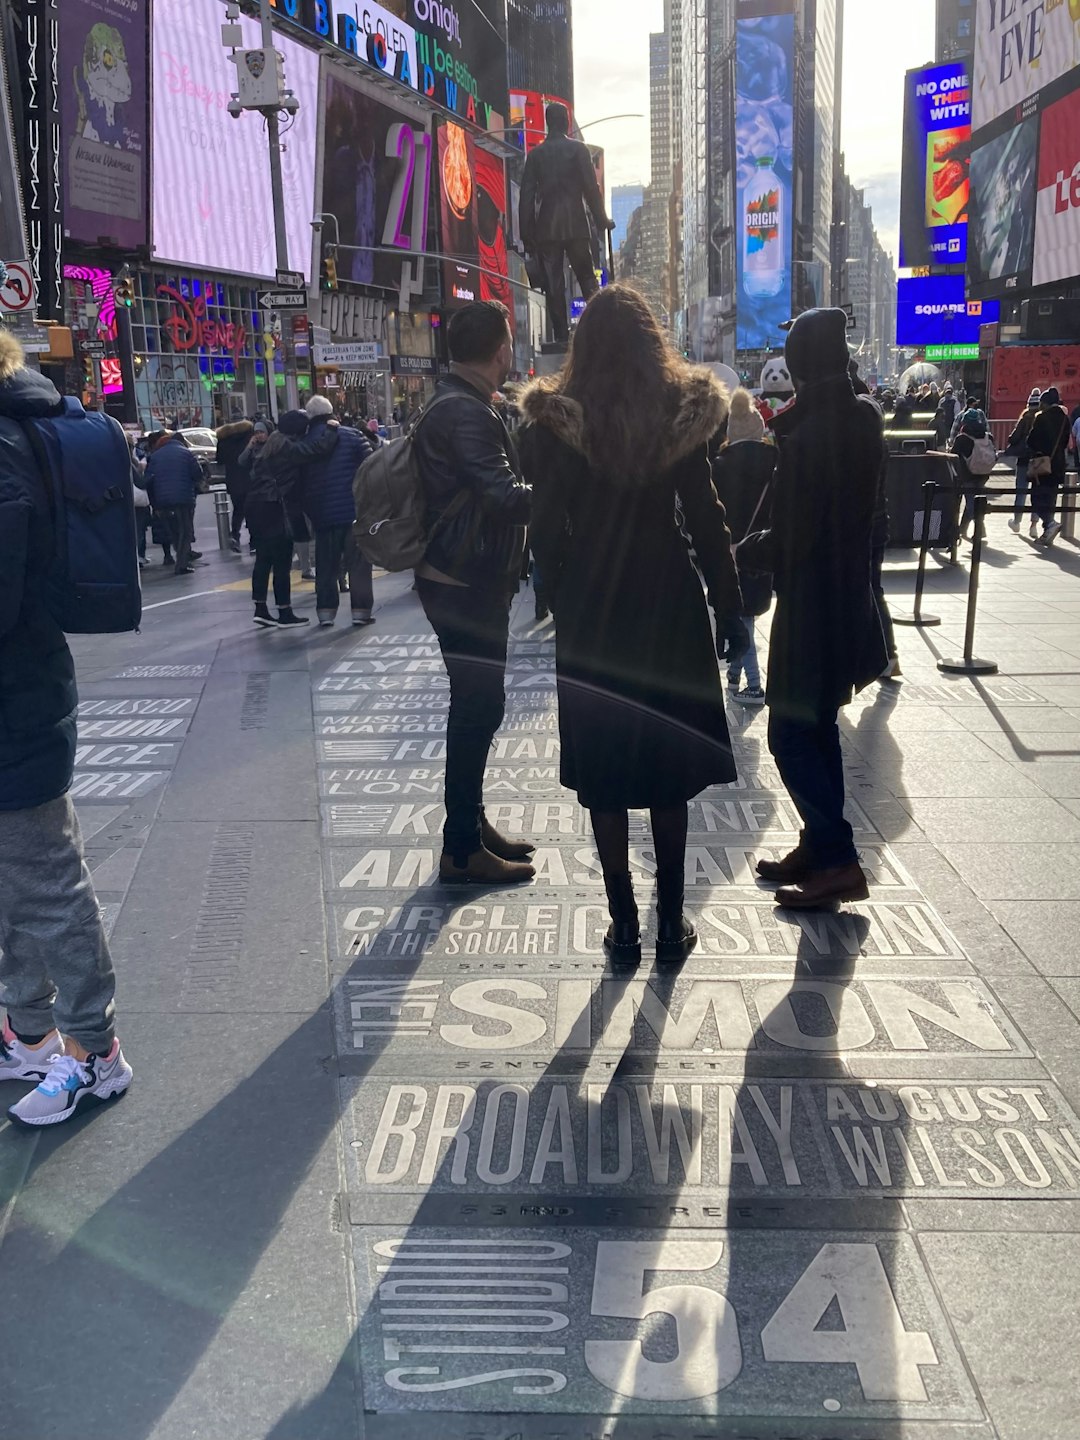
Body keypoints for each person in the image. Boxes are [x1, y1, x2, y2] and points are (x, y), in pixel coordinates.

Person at [521, 286, 747, 962]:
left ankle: (622, 921)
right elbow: (706, 519)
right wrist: (729, 605)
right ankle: (672, 919)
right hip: (667, 606)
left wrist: (562, 594)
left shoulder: (557, 421)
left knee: (606, 768)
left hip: (593, 609)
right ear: (653, 340)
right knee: (668, 768)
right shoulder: (680, 409)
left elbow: (543, 528)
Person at [0, 330, 133, 1126]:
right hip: (19, 691)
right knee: (12, 881)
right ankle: (28, 1031)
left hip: (16, 701)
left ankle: (95, 1052)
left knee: (47, 881)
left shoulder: (3, 452)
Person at [739, 308, 888, 910]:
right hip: (844, 598)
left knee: (790, 733)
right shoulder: (859, 419)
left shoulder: (811, 435)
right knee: (818, 725)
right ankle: (819, 843)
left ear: (801, 365)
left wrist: (737, 551)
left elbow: (793, 534)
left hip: (810, 607)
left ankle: (836, 857)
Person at [413, 300, 534, 884]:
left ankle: (471, 822)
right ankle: (461, 847)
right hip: (465, 583)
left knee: (477, 706)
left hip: (459, 578)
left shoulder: (457, 401)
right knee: (477, 708)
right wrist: (563, 489)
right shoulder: (465, 412)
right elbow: (504, 498)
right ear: (501, 350)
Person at [519, 102, 612, 345]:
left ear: (548, 122)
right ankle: (600, 329)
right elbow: (592, 189)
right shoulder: (579, 150)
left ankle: (561, 336)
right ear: (566, 121)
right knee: (587, 278)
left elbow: (526, 197)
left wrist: (526, 234)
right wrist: (602, 220)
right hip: (576, 224)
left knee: (554, 284)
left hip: (547, 227)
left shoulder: (536, 155)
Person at [711, 388, 775, 706]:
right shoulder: (773, 463)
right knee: (748, 612)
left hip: (730, 547)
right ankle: (736, 676)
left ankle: (753, 683)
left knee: (741, 613)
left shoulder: (720, 466)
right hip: (764, 545)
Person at [245, 410, 336, 628]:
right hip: (276, 508)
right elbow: (317, 450)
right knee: (281, 562)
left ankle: (260, 608)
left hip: (256, 508)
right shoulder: (288, 447)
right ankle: (284, 612)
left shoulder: (270, 446)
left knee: (263, 560)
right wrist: (331, 429)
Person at [303, 395, 376, 627]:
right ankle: (360, 612)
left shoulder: (305, 441)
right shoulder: (353, 436)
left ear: (310, 416)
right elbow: (371, 466)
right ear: (331, 412)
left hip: (322, 514)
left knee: (326, 565)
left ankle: (325, 613)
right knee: (358, 564)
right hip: (353, 510)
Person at [143, 429, 203, 574]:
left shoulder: (155, 456)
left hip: (163, 501)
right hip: (183, 499)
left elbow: (148, 481)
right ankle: (182, 564)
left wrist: (155, 504)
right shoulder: (186, 453)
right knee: (185, 531)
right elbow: (198, 474)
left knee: (174, 532)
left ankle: (180, 559)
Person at [1027, 387, 1072, 547]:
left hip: (1042, 464)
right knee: (1051, 498)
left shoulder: (1042, 418)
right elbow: (1066, 441)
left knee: (1037, 498)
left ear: (1045, 403)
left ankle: (1050, 523)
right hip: (1059, 463)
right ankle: (1048, 530)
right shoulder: (1065, 419)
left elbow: (1031, 441)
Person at [950, 408, 992, 543]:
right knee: (975, 500)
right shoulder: (987, 436)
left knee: (971, 502)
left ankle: (980, 529)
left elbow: (953, 454)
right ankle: (963, 528)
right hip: (983, 473)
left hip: (967, 474)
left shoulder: (962, 438)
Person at [215, 415, 254, 552]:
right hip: (249, 478)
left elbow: (219, 460)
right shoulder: (249, 434)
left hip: (233, 480)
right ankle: (253, 540)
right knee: (252, 510)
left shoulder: (224, 438)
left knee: (238, 509)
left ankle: (235, 536)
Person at [1006, 389, 1042, 535]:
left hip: (1023, 459)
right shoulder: (1041, 419)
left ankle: (1016, 521)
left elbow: (1013, 438)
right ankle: (1033, 526)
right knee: (1037, 493)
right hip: (1037, 460)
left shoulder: (1024, 418)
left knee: (1021, 491)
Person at [934, 383, 958, 449]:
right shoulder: (942, 401)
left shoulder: (955, 400)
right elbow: (938, 410)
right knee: (944, 436)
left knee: (950, 435)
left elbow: (957, 412)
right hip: (943, 422)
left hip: (951, 422)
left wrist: (955, 420)